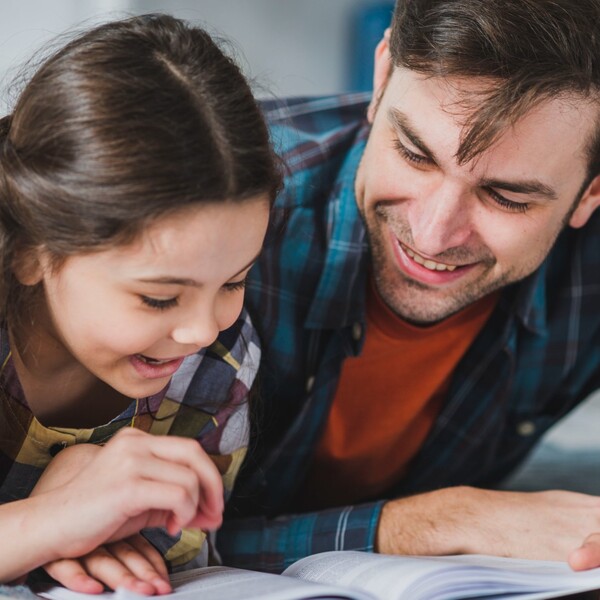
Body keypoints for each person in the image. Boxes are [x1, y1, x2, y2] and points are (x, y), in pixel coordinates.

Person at [218, 0, 600, 575]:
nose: (433, 234)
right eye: (415, 154)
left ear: (592, 193)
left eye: (507, 197)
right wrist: (447, 521)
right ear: (381, 76)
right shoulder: (219, 214)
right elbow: (148, 543)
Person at [0, 13, 280, 595]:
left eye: (234, 282)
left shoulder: (217, 364)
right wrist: (43, 521)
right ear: (32, 250)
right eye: (159, 298)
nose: (202, 330)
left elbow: (173, 563)